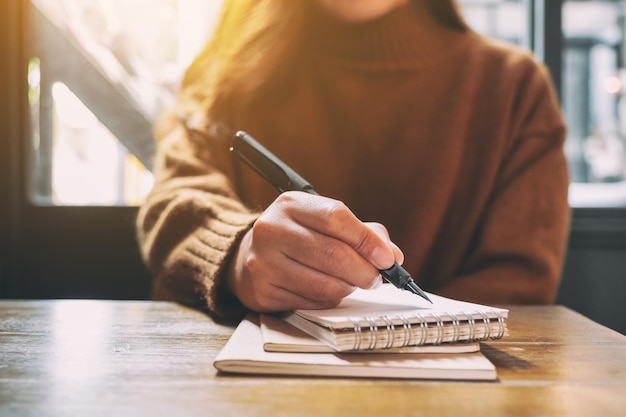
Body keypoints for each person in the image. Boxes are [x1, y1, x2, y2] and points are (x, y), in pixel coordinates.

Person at [136, 0, 571, 320]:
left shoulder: (515, 90)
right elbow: (174, 201)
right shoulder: (223, 72)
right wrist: (236, 251)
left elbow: (520, 279)